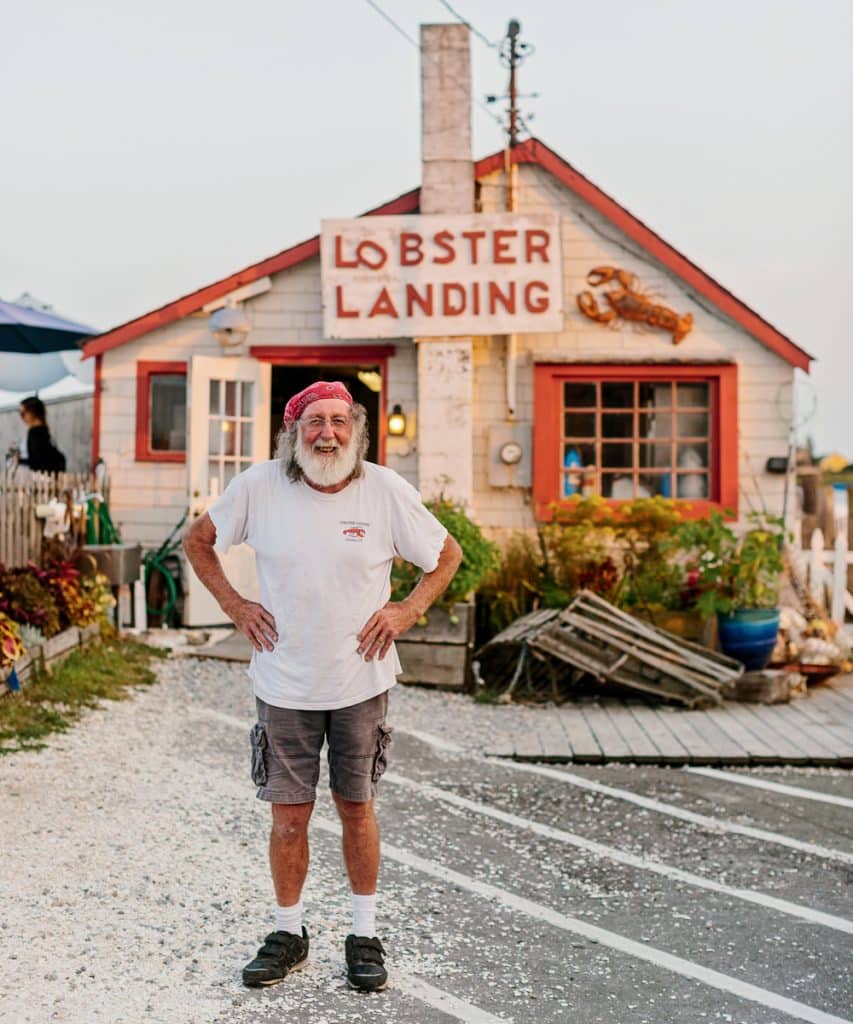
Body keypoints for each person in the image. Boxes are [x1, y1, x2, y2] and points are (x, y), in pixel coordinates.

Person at [182, 381, 462, 993]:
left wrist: (405, 613)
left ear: (356, 429)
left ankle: (363, 934)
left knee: (356, 809)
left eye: (338, 420)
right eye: (314, 422)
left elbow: (446, 555)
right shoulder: (259, 486)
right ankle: (289, 933)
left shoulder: (385, 490)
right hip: (284, 681)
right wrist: (235, 604)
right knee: (288, 817)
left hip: (359, 680)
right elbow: (198, 542)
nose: (327, 433)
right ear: (294, 431)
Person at [17, 397, 67, 473]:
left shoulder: (35, 432)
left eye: (23, 413)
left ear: (32, 412)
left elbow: (38, 461)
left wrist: (19, 460)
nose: (21, 417)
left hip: (44, 477)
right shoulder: (43, 430)